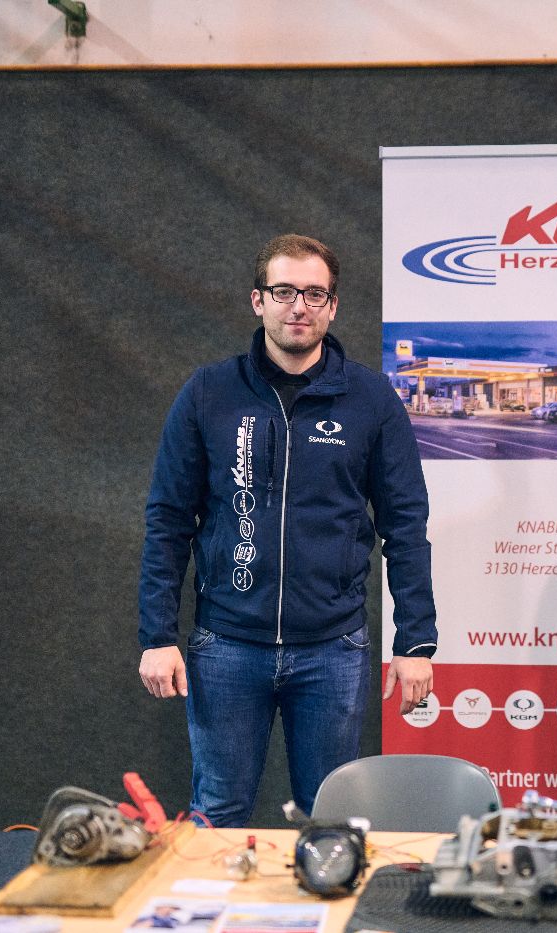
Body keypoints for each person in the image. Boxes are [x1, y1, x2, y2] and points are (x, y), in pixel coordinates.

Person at [137, 234, 437, 824]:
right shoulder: (209, 393)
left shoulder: (371, 399)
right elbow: (168, 522)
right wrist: (157, 635)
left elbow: (405, 525)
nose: (299, 306)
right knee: (217, 815)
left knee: (327, 819)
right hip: (227, 645)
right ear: (259, 301)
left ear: (332, 306)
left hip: (333, 649)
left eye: (314, 294)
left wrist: (415, 642)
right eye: (283, 292)